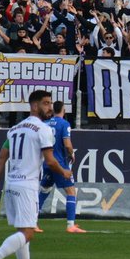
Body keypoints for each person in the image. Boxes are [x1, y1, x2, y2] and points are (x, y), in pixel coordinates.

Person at [0, 89, 72, 259]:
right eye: (46, 103)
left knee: (23, 230)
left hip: (11, 184)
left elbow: (1, 158)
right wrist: (64, 172)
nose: (49, 107)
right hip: (27, 186)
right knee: (28, 233)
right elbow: (50, 161)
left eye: (50, 103)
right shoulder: (43, 130)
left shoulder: (14, 129)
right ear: (34, 106)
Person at [37, 99, 85, 233]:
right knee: (71, 192)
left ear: (53, 110)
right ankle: (71, 225)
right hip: (59, 164)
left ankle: (32, 222)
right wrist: (71, 154)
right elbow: (67, 144)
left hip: (47, 163)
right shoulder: (64, 124)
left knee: (44, 190)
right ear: (63, 110)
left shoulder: (45, 124)